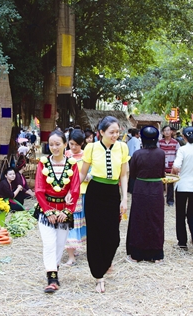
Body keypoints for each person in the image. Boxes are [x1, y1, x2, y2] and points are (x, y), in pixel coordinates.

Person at [79, 116, 130, 293]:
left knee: (113, 238)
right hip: (94, 193)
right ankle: (98, 276)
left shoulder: (122, 148)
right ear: (101, 132)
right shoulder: (91, 148)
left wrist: (124, 198)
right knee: (94, 235)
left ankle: (105, 264)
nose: (115, 135)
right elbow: (82, 173)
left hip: (112, 194)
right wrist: (71, 194)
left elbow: (124, 175)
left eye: (117, 132)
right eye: (111, 132)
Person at [34, 130, 80, 293]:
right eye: (51, 144)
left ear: (65, 145)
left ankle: (54, 270)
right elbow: (39, 190)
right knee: (49, 244)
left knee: (60, 244)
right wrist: (48, 211)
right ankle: (52, 279)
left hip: (64, 212)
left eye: (58, 144)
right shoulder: (43, 163)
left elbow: (75, 190)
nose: (54, 147)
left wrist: (67, 211)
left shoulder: (72, 164)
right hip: (46, 212)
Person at [126, 126, 166, 263]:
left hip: (141, 188)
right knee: (156, 220)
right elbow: (162, 173)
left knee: (139, 219)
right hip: (156, 189)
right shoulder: (161, 153)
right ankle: (156, 255)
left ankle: (136, 254)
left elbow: (133, 174)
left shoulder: (137, 154)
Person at [172, 126, 193, 251]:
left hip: (182, 185)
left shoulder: (182, 150)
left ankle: (182, 242)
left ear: (184, 137)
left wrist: (174, 173)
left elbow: (176, 166)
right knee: (191, 214)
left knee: (180, 214)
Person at [64, 129, 88, 266]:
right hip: (69, 195)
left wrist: (81, 178)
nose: (73, 147)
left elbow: (91, 175)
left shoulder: (86, 156)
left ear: (82, 143)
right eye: (71, 144)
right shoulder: (65, 155)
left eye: (77, 145)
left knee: (80, 223)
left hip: (83, 193)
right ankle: (71, 256)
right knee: (70, 223)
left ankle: (74, 249)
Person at [158, 125, 181, 207]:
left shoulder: (175, 143)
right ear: (163, 132)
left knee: (170, 184)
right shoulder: (160, 142)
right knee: (160, 184)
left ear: (171, 132)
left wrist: (177, 166)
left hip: (171, 166)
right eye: (165, 130)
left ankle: (170, 201)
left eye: (168, 130)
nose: (167, 132)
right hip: (161, 166)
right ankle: (159, 201)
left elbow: (178, 155)